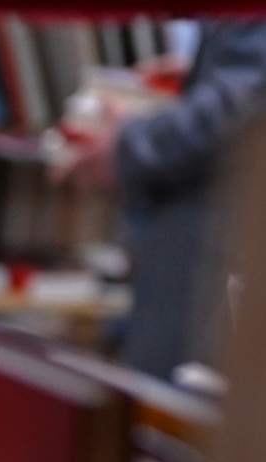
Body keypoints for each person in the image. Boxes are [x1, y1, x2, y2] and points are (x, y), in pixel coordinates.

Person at [50, 17, 266, 381]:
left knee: (175, 416)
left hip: (213, 261)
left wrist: (127, 149)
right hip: (202, 259)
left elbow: (244, 103)